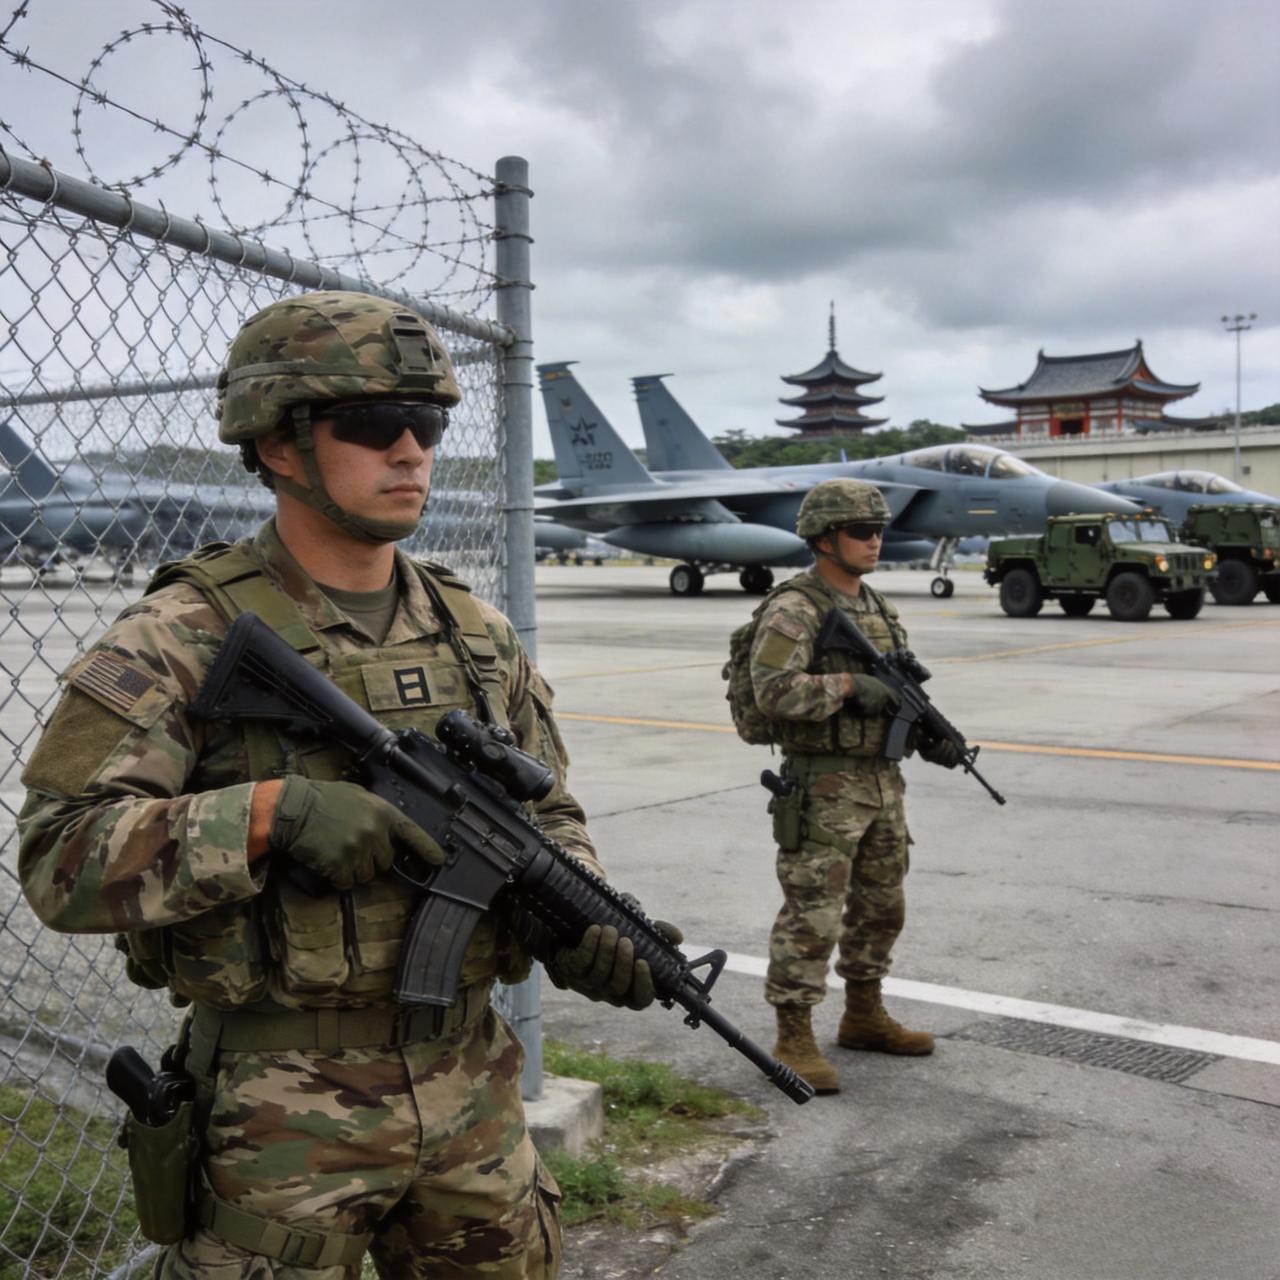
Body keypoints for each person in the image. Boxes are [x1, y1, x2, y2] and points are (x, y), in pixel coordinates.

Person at [17, 290, 659, 1278]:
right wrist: (267, 813)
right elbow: (60, 860)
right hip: (277, 1118)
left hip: (475, 1103)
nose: (411, 450)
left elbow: (546, 813)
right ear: (277, 443)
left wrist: (581, 914)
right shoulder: (181, 634)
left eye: (429, 424)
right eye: (371, 424)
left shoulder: (474, 632)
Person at [748, 478, 961, 1095]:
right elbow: (773, 691)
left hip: (881, 784)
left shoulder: (878, 607)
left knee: (881, 908)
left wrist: (929, 734)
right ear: (824, 538)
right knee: (813, 914)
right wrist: (847, 688)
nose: (875, 541)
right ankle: (794, 1035)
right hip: (822, 788)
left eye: (879, 530)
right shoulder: (795, 608)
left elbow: (898, 690)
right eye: (862, 531)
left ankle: (864, 1013)